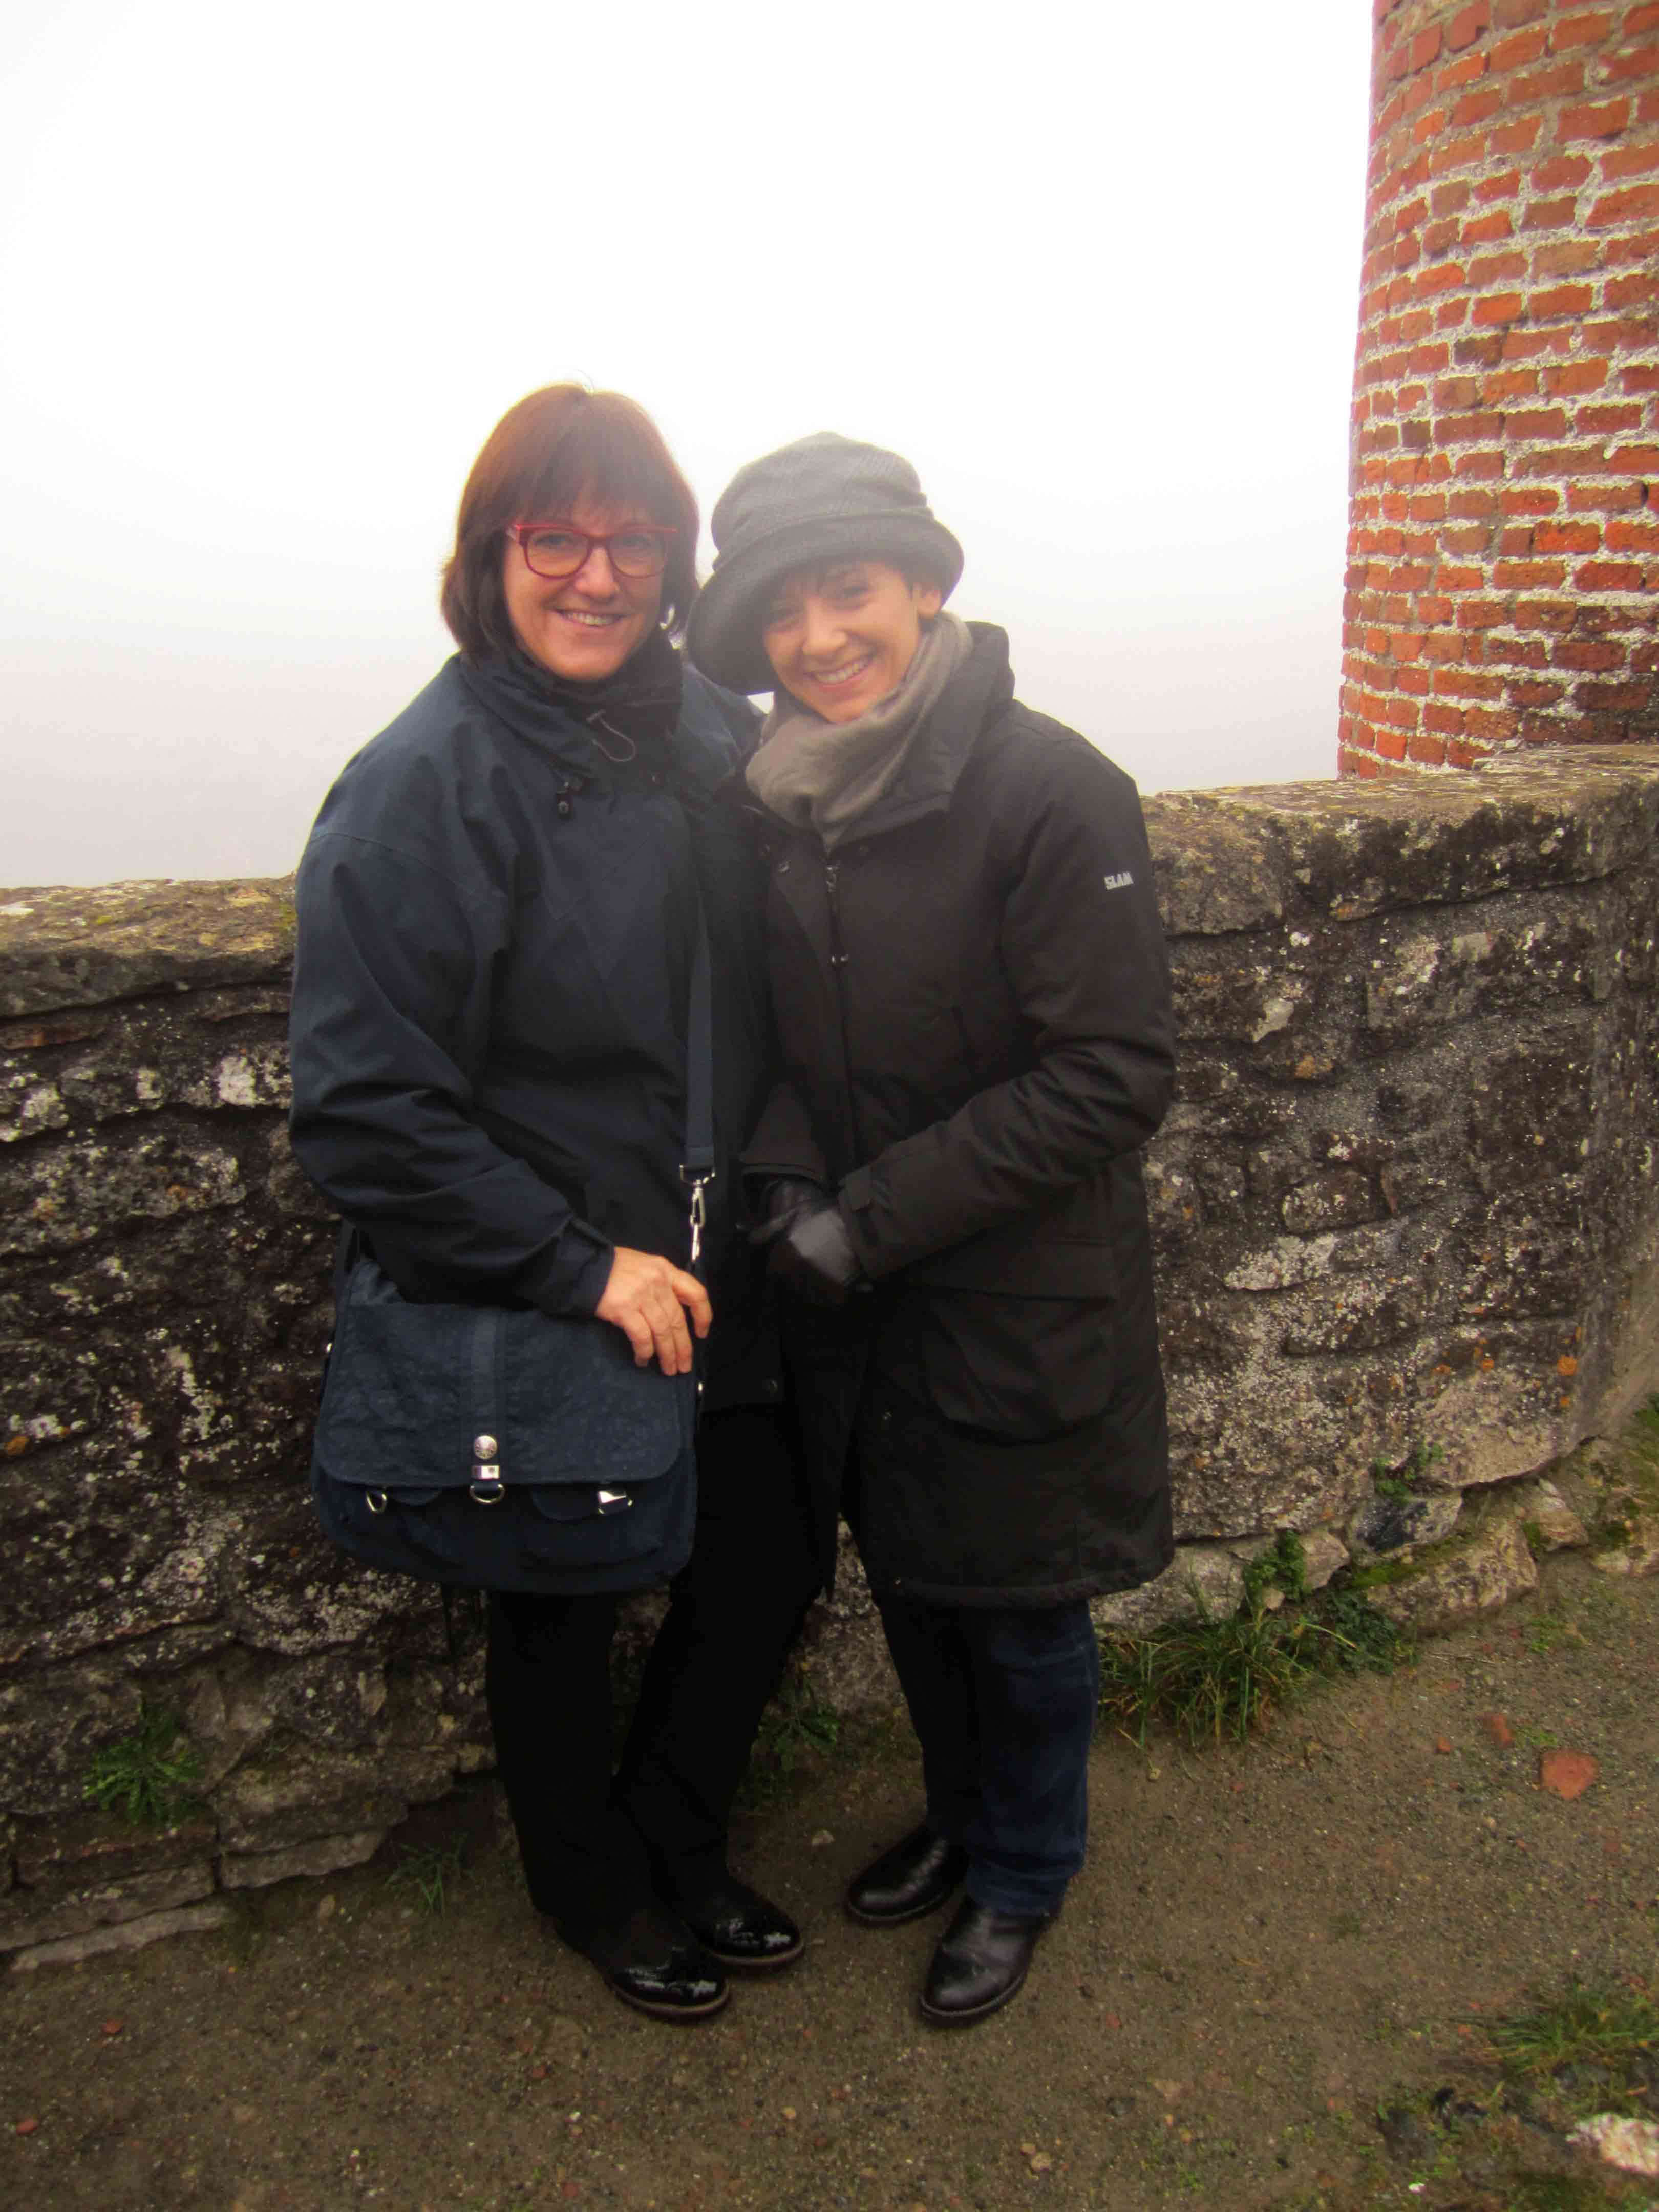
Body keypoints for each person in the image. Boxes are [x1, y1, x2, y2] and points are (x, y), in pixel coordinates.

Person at [287, 386, 823, 2023]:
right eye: (554, 537)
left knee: (768, 1560)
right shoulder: (424, 782)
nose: (596, 573)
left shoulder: (721, 737)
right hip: (563, 1266)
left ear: (673, 561)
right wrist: (580, 1266)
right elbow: (365, 1110)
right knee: (561, 1598)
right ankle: (589, 1886)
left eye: (633, 538)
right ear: (491, 555)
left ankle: (676, 1832)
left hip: (734, 1252)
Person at [686, 433, 1176, 2027]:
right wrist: (784, 1175)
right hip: (864, 1287)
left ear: (921, 588)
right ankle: (961, 1819)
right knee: (913, 1583)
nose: (819, 637)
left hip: (1014, 1289)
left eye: (850, 593)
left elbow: (1113, 1074)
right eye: (783, 612)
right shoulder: (791, 800)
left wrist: (872, 1217)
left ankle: (1025, 1872)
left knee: (1020, 1608)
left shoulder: (1049, 787)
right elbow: (797, 1040)